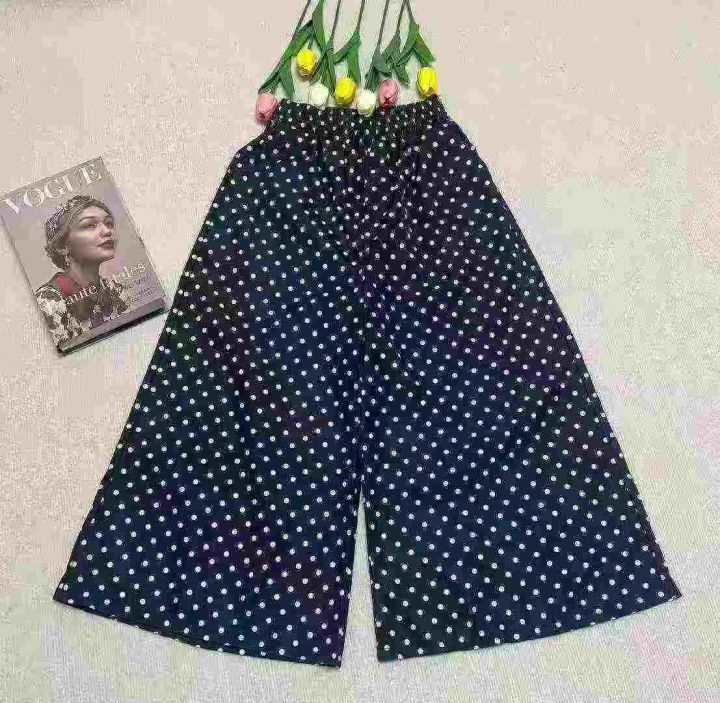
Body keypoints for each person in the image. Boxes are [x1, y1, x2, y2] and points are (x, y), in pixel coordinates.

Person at [35, 194, 130, 348]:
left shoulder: (115, 289)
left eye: (109, 223)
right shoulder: (49, 300)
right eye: (89, 225)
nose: (107, 231)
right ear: (62, 246)